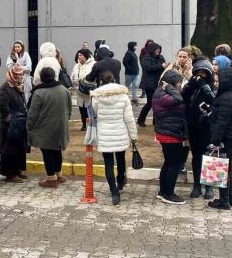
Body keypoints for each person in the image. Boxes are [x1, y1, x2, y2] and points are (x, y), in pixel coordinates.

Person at [90, 71, 137, 205]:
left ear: (101, 81)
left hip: (104, 132)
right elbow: (129, 118)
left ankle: (114, 192)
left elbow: (94, 112)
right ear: (114, 79)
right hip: (120, 131)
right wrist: (133, 135)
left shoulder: (97, 96)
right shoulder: (123, 96)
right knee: (121, 159)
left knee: (108, 163)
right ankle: (121, 180)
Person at [28, 67, 72, 188]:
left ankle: (51, 178)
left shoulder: (39, 93)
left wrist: (29, 126)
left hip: (44, 128)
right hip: (61, 127)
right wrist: (65, 120)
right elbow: (69, 108)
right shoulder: (64, 89)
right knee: (57, 150)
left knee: (47, 152)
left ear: (42, 77)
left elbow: (32, 113)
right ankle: (59, 175)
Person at [207, 67, 232, 210]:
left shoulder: (226, 98)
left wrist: (215, 141)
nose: (216, 82)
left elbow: (222, 121)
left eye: (218, 79)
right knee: (229, 167)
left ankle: (224, 200)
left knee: (223, 169)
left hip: (225, 137)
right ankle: (230, 198)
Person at [180, 58, 215, 200]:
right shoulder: (192, 87)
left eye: (203, 73)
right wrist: (190, 85)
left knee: (209, 156)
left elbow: (212, 99)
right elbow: (182, 97)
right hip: (193, 126)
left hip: (208, 127)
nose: (200, 76)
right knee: (196, 157)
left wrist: (202, 84)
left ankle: (209, 187)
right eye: (198, 73)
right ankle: (197, 185)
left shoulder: (211, 87)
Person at [152, 70, 187, 204]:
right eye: (178, 82)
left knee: (168, 162)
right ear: (171, 83)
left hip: (168, 131)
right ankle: (169, 194)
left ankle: (163, 191)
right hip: (170, 133)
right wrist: (170, 87)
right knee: (174, 164)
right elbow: (178, 99)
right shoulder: (163, 93)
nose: (180, 85)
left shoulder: (162, 92)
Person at [0, 64, 28, 182]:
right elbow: (3, 105)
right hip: (10, 123)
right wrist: (9, 119)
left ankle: (18, 169)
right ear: (13, 74)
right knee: (9, 148)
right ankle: (10, 173)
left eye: (21, 74)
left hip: (19, 121)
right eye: (18, 74)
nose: (20, 76)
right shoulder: (6, 86)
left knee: (19, 147)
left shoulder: (17, 86)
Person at [138, 42, 167, 127]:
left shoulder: (161, 57)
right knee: (150, 103)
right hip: (149, 84)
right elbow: (148, 68)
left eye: (159, 49)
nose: (158, 50)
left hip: (159, 83)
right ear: (152, 49)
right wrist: (161, 66)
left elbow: (163, 67)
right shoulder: (146, 58)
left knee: (158, 103)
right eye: (156, 49)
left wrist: (166, 66)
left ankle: (156, 121)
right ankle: (141, 120)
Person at [71, 48, 96, 131]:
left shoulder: (93, 64)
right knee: (82, 108)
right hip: (79, 91)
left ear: (85, 56)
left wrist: (84, 80)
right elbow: (72, 76)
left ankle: (92, 124)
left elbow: (93, 77)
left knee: (91, 108)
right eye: (78, 55)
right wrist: (74, 80)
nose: (79, 57)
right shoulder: (76, 66)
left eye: (81, 55)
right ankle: (84, 124)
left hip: (90, 91)